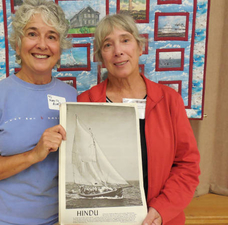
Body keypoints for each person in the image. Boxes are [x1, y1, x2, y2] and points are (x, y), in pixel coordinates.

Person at [78, 12, 200, 225]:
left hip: (161, 219)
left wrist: (162, 209)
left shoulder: (169, 100)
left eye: (125, 40)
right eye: (108, 45)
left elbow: (187, 165)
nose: (118, 51)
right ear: (101, 58)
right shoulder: (84, 102)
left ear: (140, 47)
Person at [0, 0, 77, 224]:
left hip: (59, 218)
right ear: (17, 43)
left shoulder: (72, 97)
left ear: (60, 47)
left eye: (51, 36)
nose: (42, 45)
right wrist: (33, 155)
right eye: (32, 34)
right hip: (2, 219)